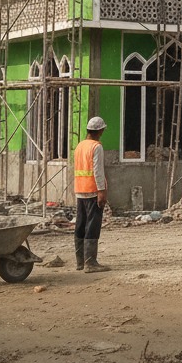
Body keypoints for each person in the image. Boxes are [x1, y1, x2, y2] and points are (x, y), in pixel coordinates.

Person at [74, 116, 110, 274]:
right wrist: (101, 191)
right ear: (100, 131)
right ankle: (90, 263)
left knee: (80, 225)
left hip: (80, 190)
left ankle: (80, 261)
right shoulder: (96, 147)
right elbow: (97, 171)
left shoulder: (80, 146)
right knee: (92, 226)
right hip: (92, 191)